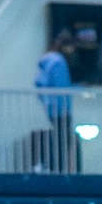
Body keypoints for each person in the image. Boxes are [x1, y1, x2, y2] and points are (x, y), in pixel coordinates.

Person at [35, 29, 77, 173]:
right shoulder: (58, 62)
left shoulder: (48, 63)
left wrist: (47, 103)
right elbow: (62, 85)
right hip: (61, 108)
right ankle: (52, 167)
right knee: (63, 140)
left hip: (52, 108)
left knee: (59, 138)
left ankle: (49, 165)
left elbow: (39, 85)